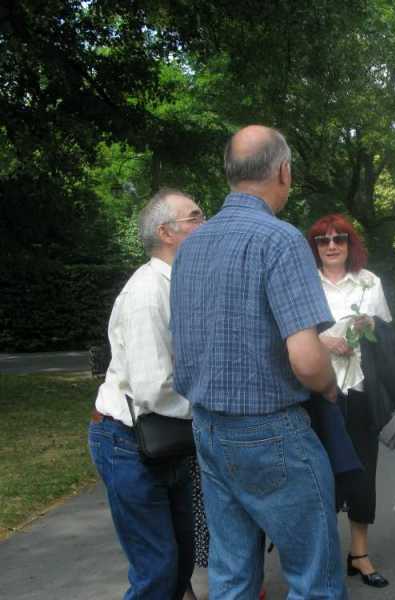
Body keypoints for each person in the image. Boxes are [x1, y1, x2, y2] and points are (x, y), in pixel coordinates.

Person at [170, 125, 346, 600]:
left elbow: (181, 344)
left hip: (208, 427)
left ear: (230, 171)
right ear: (283, 171)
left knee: (231, 574)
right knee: (314, 579)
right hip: (272, 432)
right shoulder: (280, 240)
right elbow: (307, 360)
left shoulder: (190, 247)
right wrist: (329, 387)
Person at [88, 188, 205, 599]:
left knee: (180, 562)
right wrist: (212, 409)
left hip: (162, 439)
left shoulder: (176, 284)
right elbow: (154, 389)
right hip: (128, 442)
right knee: (157, 571)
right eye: (195, 217)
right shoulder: (146, 294)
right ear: (166, 232)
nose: (205, 223)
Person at [307, 214, 392, 588]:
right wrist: (321, 340)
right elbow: (287, 333)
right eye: (322, 241)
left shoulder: (370, 282)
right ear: (314, 248)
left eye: (338, 239)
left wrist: (371, 325)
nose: (331, 246)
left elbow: (388, 334)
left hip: (358, 391)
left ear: (349, 243)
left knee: (362, 473)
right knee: (317, 477)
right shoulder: (304, 283)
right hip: (317, 393)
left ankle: (359, 554)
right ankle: (321, 557)